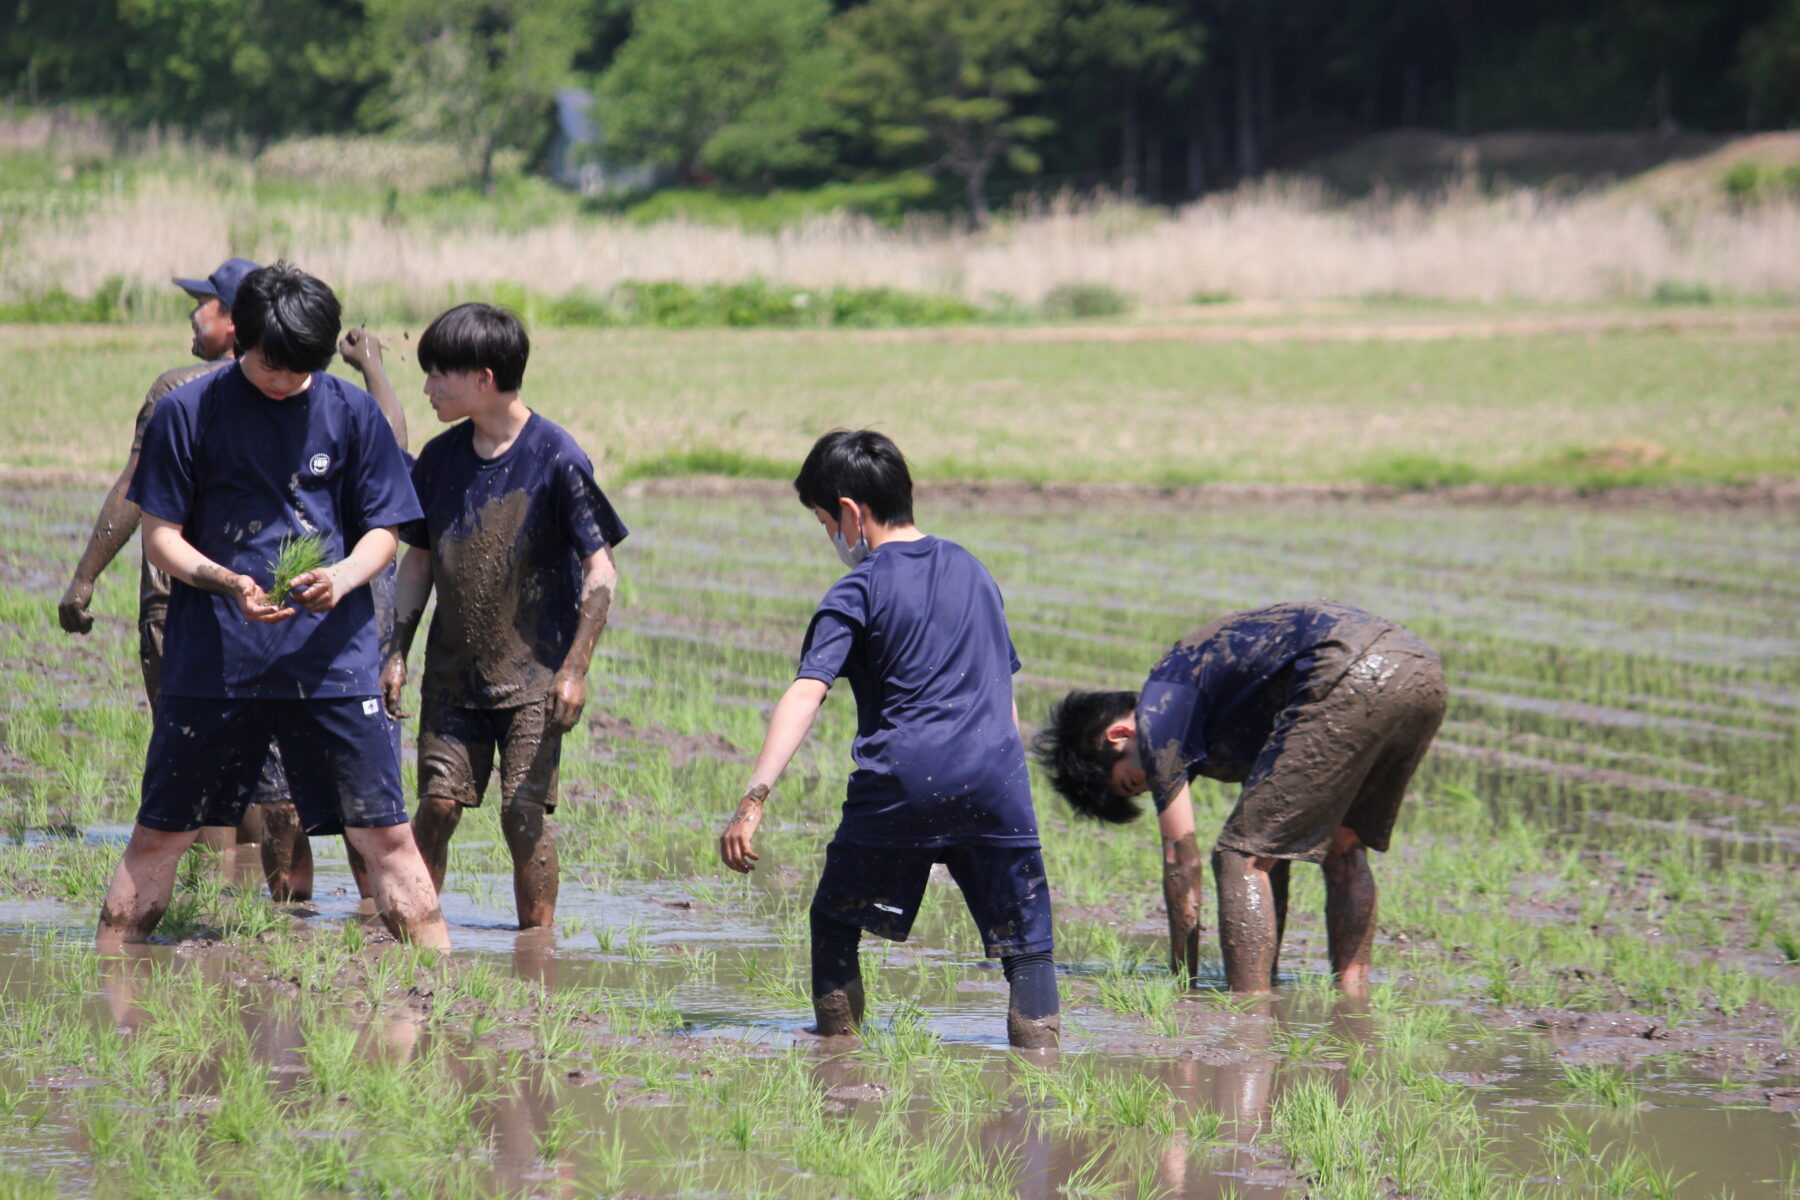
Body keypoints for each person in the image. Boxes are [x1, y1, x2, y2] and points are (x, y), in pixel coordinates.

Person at [94, 261, 448, 952]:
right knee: (161, 831)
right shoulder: (187, 412)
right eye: (270, 366)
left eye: (301, 369)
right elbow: (161, 536)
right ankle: (116, 993)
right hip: (214, 659)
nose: (284, 381)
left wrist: (343, 578)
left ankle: (437, 1002)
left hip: (333, 661)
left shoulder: (353, 413)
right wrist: (225, 581)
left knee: (385, 832)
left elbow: (385, 529)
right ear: (242, 341)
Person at [718, 430, 1060, 1049]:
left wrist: (755, 796)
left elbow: (807, 692)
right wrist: (1001, 789)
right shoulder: (975, 571)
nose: (830, 537)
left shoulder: (859, 588)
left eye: (824, 521)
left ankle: (840, 1059)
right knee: (1028, 945)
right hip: (997, 779)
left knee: (833, 919)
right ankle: (1042, 1070)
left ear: (850, 512)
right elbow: (1005, 706)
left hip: (904, 780)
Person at [1034, 601, 1446, 995]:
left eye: (1131, 782)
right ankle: (1352, 994)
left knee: (1238, 856)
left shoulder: (1160, 707)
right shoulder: (1207, 697)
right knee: (1343, 846)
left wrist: (1183, 978)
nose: (1151, 787)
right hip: (1419, 670)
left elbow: (1181, 859)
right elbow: (1275, 844)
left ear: (1118, 735)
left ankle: (1249, 1009)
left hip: (1346, 671)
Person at [382, 303, 625, 931]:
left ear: (483, 378)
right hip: (454, 677)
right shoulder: (438, 460)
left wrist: (575, 671)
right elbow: (418, 563)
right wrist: (395, 650)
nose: (429, 388)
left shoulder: (558, 457)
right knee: (436, 806)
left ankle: (536, 949)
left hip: (534, 680)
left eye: (440, 375)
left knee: (523, 818)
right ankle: (415, 937)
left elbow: (601, 573)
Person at [58, 258, 259, 862]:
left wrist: (84, 576)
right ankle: (262, 895)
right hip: (258, 596)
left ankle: (215, 892)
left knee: (195, 750)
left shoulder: (178, 389)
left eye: (203, 303)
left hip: (182, 599)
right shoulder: (291, 392)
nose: (192, 316)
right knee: (255, 755)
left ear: (231, 319)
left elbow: (134, 487)